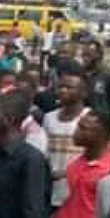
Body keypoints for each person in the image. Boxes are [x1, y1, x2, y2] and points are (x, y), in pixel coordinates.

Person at [43, 70, 90, 208]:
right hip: (53, 192)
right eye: (60, 86)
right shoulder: (49, 118)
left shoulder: (90, 119)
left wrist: (67, 173)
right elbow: (46, 153)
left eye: (69, 87)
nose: (63, 90)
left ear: (83, 93)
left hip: (80, 193)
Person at [83, 42, 110, 124]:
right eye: (83, 55)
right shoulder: (78, 73)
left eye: (88, 55)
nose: (84, 59)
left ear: (98, 55)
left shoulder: (108, 75)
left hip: (99, 125)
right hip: (80, 124)